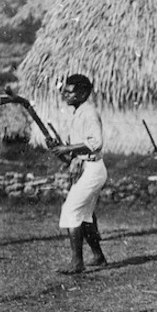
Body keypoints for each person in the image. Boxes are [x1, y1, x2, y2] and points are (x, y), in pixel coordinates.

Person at [50, 74, 108, 274]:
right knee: (84, 215)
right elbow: (75, 150)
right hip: (86, 169)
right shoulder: (77, 113)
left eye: (69, 91)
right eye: (64, 91)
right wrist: (63, 150)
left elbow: (96, 142)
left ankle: (77, 262)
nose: (65, 95)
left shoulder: (89, 113)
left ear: (82, 93)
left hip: (93, 169)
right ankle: (98, 256)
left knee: (71, 211)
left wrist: (68, 150)